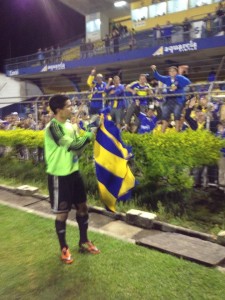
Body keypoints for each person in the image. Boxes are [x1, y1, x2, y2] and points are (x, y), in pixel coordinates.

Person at [44, 94, 100, 264]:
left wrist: (84, 132)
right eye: (68, 106)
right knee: (62, 213)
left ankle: (83, 241)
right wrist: (90, 132)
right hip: (58, 176)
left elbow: (78, 150)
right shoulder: (52, 128)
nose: (72, 108)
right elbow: (74, 146)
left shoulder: (69, 125)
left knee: (83, 207)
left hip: (74, 173)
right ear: (58, 110)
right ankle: (64, 248)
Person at [150, 65, 191, 132]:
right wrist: (154, 70)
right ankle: (162, 134)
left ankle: (177, 133)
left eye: (173, 71)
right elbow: (158, 77)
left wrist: (178, 86)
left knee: (177, 118)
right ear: (169, 73)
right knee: (165, 118)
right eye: (170, 71)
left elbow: (188, 82)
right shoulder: (167, 79)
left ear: (176, 72)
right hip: (168, 100)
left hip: (178, 100)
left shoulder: (180, 78)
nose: (171, 72)